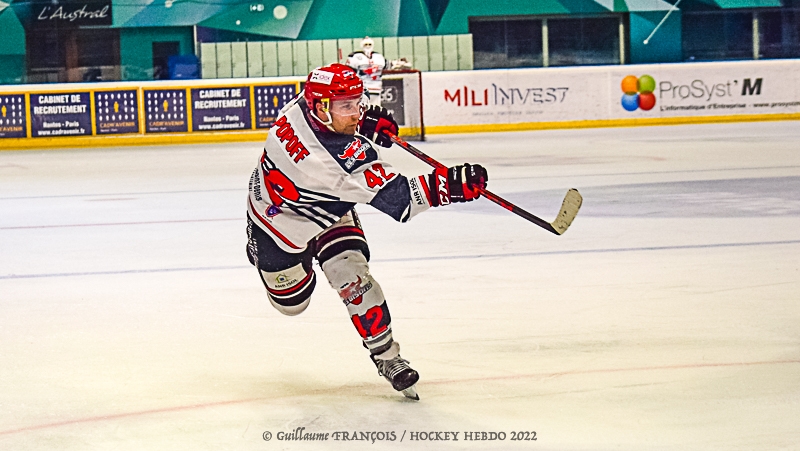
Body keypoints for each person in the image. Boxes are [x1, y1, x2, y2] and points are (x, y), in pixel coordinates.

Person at [245, 63, 487, 400]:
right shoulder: (330, 164)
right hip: (277, 227)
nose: (356, 112)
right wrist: (452, 186)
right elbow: (402, 201)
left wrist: (364, 119)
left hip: (329, 212)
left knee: (354, 279)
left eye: (358, 102)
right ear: (322, 108)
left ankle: (388, 358)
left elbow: (342, 130)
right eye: (348, 107)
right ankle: (273, 261)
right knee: (292, 306)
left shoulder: (304, 103)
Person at [345, 37, 387, 106]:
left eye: (369, 44)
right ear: (362, 45)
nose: (367, 46)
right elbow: (349, 72)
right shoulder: (355, 56)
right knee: (363, 111)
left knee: (375, 112)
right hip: (363, 90)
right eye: (366, 44)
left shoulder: (379, 57)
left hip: (376, 89)